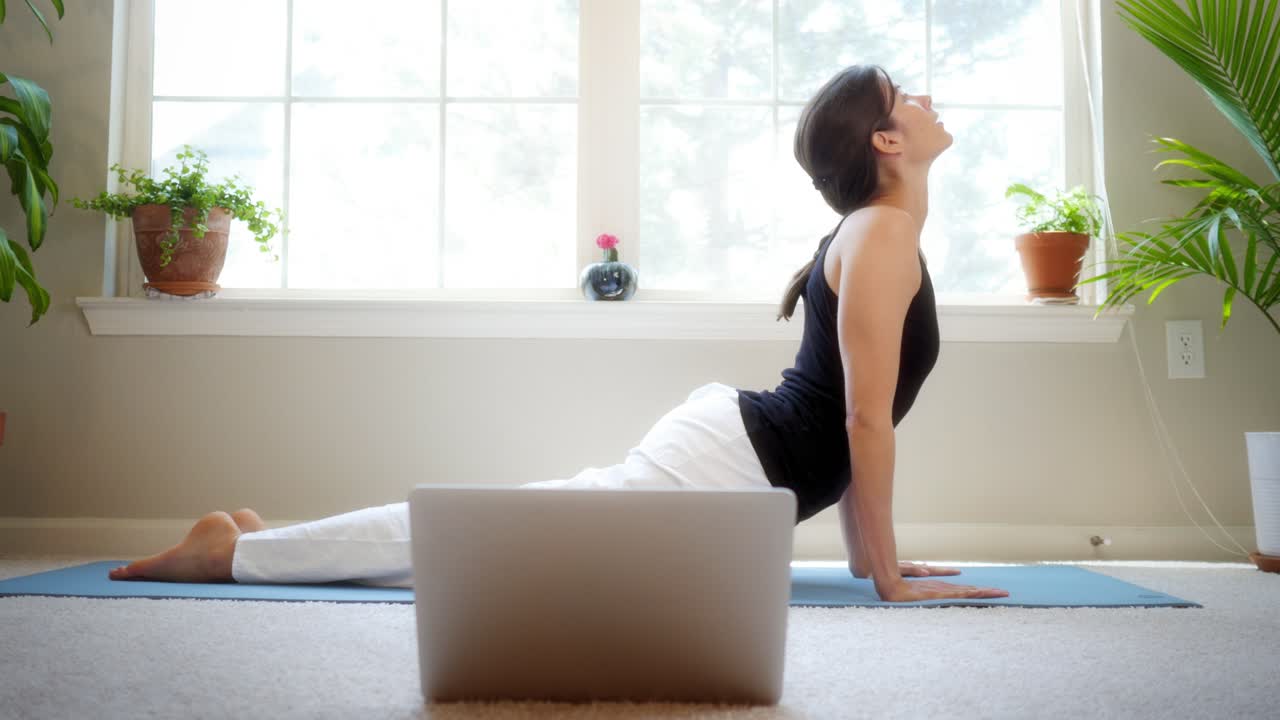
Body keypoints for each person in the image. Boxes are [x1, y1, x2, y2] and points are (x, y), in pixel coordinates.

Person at [109, 64, 1009, 603]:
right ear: (886, 142)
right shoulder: (882, 235)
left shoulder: (881, 233)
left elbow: (855, 414)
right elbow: (862, 420)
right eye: (904, 95)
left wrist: (870, 562)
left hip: (738, 467)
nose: (925, 98)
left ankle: (266, 544)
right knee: (495, 544)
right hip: (725, 470)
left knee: (505, 551)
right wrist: (885, 576)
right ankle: (233, 553)